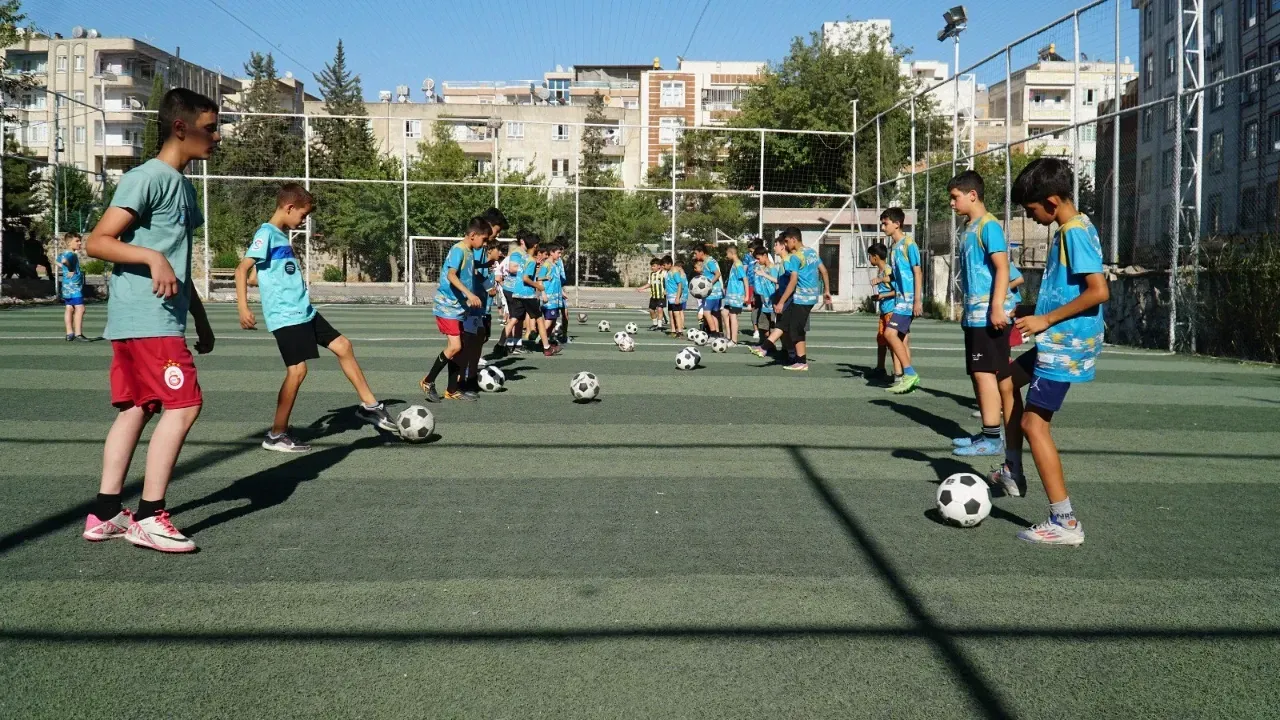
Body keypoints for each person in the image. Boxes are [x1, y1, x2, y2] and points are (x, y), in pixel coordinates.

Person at [80, 88, 219, 553]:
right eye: (210, 127)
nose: (217, 136)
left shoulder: (184, 187)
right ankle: (150, 516)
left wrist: (200, 318)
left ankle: (105, 512)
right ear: (181, 128)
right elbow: (98, 241)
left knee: (137, 408)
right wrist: (150, 257)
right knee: (185, 406)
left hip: (151, 319)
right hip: (147, 318)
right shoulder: (146, 178)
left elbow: (177, 265)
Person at [983, 158, 1107, 546]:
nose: (1030, 216)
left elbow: (1098, 291)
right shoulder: (1073, 226)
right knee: (1006, 380)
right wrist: (1028, 311)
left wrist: (1045, 320)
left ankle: (1065, 521)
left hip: (1065, 344)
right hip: (1057, 337)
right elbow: (1068, 288)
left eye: (1031, 209)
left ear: (1051, 202)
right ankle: (1012, 471)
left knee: (1034, 425)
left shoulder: (1074, 233)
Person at [235, 184, 397, 451]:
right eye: (303, 215)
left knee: (343, 346)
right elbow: (242, 270)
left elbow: (255, 277)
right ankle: (276, 434)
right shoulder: (266, 234)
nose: (304, 221)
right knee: (297, 371)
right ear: (289, 208)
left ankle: (370, 406)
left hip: (304, 311)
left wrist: (267, 279)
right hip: (287, 315)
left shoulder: (279, 236)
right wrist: (243, 308)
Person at [947, 170, 1014, 458]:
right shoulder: (969, 227)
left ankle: (993, 439)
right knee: (978, 373)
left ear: (972, 195)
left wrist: (997, 306)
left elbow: (1003, 268)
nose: (952, 203)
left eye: (955, 197)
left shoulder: (989, 226)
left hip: (989, 315)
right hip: (975, 315)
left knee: (985, 373)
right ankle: (988, 433)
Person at [421, 217, 490, 402]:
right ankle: (427, 381)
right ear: (473, 235)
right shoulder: (458, 249)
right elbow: (451, 275)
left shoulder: (469, 251)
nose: (485, 244)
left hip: (458, 308)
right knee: (455, 347)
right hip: (447, 306)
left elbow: (470, 272)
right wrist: (469, 294)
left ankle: (452, 390)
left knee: (460, 350)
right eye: (484, 239)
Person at [878, 208, 923, 393]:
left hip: (908, 300)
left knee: (889, 334)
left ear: (897, 224)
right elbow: (896, 276)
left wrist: (917, 300)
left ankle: (910, 373)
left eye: (885, 223)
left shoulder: (909, 244)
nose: (882, 227)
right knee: (902, 339)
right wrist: (881, 280)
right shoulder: (893, 248)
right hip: (899, 299)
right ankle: (906, 379)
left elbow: (917, 272)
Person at [776, 227, 831, 371]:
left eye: (786, 241)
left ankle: (801, 362)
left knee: (795, 329)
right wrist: (826, 291)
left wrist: (781, 301)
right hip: (812, 297)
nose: (786, 244)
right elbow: (824, 271)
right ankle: (798, 359)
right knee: (796, 327)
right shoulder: (811, 252)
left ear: (794, 240)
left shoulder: (796, 256)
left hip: (801, 298)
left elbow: (793, 280)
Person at [866, 243, 898, 382]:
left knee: (892, 342)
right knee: (881, 340)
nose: (869, 259)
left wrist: (882, 296)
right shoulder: (880, 271)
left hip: (891, 311)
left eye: (870, 256)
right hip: (884, 311)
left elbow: (897, 291)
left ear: (876, 257)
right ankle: (880, 368)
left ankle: (898, 373)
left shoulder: (888, 270)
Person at [497, 230, 532, 355]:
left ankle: (515, 344)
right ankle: (501, 344)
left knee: (518, 318)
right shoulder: (516, 254)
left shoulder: (523, 253)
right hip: (513, 290)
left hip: (516, 289)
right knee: (514, 318)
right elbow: (511, 269)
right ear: (522, 241)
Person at [536, 244, 565, 356]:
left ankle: (545, 341)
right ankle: (541, 340)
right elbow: (539, 279)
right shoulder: (546, 264)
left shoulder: (555, 265)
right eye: (558, 253)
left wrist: (562, 292)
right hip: (549, 298)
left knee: (552, 321)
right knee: (548, 321)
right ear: (551, 252)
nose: (560, 255)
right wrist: (543, 293)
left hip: (556, 298)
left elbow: (556, 280)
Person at [59, 232, 89, 341]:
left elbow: (58, 261)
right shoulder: (72, 255)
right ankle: (78, 334)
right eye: (77, 241)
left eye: (80, 240)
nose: (80, 243)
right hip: (74, 286)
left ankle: (69, 333)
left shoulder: (64, 253)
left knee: (69, 308)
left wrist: (65, 268)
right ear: (69, 243)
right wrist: (70, 268)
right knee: (80, 308)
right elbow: (64, 261)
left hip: (66, 285)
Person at [693, 244, 724, 337]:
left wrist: (709, 284)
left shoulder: (709, 261)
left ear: (701, 252)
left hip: (712, 292)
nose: (695, 255)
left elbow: (718, 274)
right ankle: (717, 334)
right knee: (714, 314)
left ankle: (713, 333)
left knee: (706, 312)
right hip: (716, 292)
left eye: (696, 253)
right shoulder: (708, 260)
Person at [749, 246, 778, 345]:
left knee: (773, 326)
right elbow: (758, 284)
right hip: (764, 302)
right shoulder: (760, 268)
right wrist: (754, 294)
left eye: (758, 258)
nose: (757, 261)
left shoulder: (772, 268)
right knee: (762, 325)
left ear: (765, 255)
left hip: (772, 302)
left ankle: (770, 345)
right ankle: (762, 343)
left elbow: (777, 282)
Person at [722, 245, 747, 346]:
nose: (726, 256)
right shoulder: (734, 263)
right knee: (724, 312)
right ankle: (728, 336)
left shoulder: (738, 264)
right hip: (730, 295)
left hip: (736, 295)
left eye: (727, 254)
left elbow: (745, 279)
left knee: (733, 316)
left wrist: (747, 295)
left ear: (731, 253)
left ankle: (734, 340)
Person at [636, 257, 667, 330]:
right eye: (651, 266)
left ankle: (660, 325)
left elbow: (668, 282)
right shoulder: (651, 274)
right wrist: (641, 288)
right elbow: (649, 284)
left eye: (654, 266)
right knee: (651, 310)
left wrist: (666, 290)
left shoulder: (664, 273)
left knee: (659, 309)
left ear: (659, 266)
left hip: (661, 295)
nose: (652, 267)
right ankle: (655, 324)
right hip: (653, 296)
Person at [663, 255, 688, 337]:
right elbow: (669, 283)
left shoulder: (674, 271)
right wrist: (666, 290)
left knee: (677, 314)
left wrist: (677, 297)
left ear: (669, 264)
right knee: (671, 313)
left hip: (675, 296)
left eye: (664, 265)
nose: (663, 267)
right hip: (670, 297)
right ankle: (673, 330)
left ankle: (680, 331)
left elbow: (679, 284)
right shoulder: (668, 272)